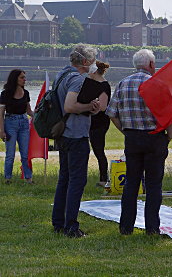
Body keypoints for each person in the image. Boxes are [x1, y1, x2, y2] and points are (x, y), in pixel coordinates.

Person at [107, 49, 172, 235]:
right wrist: (169, 136)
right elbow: (170, 114)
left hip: (133, 138)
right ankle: (152, 228)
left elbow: (112, 113)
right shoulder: (157, 84)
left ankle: (126, 227)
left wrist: (126, 130)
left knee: (131, 183)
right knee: (153, 185)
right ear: (151, 64)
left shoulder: (123, 83)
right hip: (155, 138)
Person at [52, 44, 102, 238]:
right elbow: (70, 106)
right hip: (75, 134)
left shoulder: (62, 75)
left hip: (63, 133)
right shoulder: (77, 79)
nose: (94, 64)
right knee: (76, 181)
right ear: (85, 62)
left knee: (64, 178)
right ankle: (71, 226)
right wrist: (90, 105)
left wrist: (89, 106)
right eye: (93, 60)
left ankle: (58, 222)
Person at [78, 60, 112, 187]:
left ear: (93, 71)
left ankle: (104, 178)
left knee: (98, 150)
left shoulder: (104, 85)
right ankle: (81, 176)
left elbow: (103, 107)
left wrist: (90, 106)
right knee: (83, 149)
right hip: (88, 120)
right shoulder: (89, 83)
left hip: (99, 122)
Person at [1, 69, 34, 184]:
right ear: (15, 78)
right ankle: (8, 178)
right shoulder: (5, 94)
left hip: (24, 123)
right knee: (10, 154)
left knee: (25, 153)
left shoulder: (26, 93)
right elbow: (1, 114)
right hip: (10, 122)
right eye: (22, 77)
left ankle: (28, 178)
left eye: (24, 77)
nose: (25, 80)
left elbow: (29, 111)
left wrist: (40, 115)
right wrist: (1, 130)